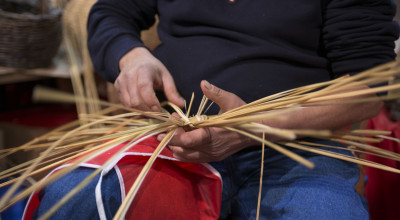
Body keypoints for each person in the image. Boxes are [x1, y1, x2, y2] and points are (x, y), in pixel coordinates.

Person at [33, 0, 400, 219]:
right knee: (74, 198)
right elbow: (111, 12)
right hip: (173, 140)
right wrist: (132, 58)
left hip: (296, 148)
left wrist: (257, 125)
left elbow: (368, 89)